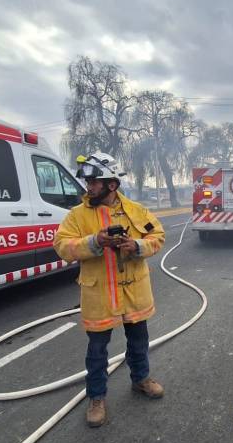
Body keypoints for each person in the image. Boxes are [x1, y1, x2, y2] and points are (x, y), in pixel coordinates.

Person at [53, 152, 166, 428]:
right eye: (87, 182)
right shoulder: (77, 215)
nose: (88, 187)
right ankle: (96, 398)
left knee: (139, 341)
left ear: (111, 185)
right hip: (100, 295)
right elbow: (62, 246)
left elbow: (157, 236)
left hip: (134, 293)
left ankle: (141, 379)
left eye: (93, 182)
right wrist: (94, 242)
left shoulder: (137, 211)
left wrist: (137, 246)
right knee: (97, 350)